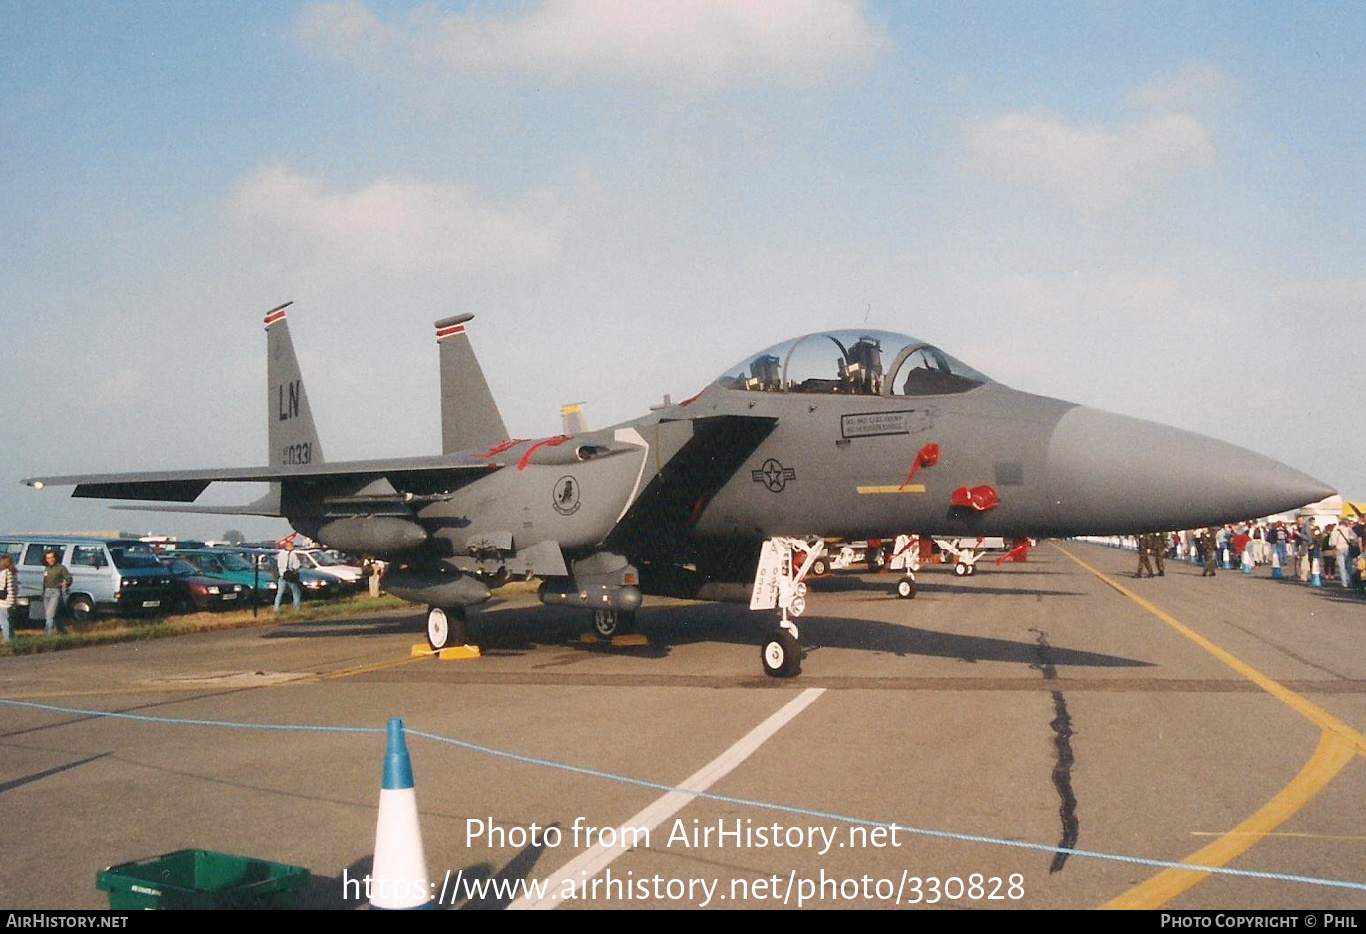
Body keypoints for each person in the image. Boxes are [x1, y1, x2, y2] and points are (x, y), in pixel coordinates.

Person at [42, 549, 71, 636]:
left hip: (56, 592)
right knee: (53, 614)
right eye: (48, 558)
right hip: (46, 593)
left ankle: (48, 634)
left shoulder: (61, 568)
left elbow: (68, 578)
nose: (50, 560)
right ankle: (62, 631)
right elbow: (44, 582)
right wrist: (42, 593)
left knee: (49, 615)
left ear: (55, 558)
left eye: (51, 558)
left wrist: (66, 583)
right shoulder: (46, 568)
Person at [274, 540, 303, 612]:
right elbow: (297, 566)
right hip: (290, 576)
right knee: (296, 592)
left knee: (280, 593)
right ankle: (297, 608)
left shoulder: (280, 554)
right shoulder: (292, 554)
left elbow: (277, 564)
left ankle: (276, 608)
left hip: (282, 575)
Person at [1330, 521, 1358, 589]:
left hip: (1338, 548)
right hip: (1347, 548)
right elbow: (1354, 538)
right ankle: (1350, 581)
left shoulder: (1334, 531)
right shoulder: (1348, 529)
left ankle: (1344, 583)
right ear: (1345, 524)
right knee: (1349, 565)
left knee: (1341, 566)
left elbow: (1331, 543)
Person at [0, 555, 17, 642]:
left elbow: (2, 588)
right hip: (11, 600)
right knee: (9, 620)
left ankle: (7, 639)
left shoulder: (4, 574)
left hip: (3, 602)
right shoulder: (13, 573)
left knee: (4, 621)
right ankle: (13, 638)